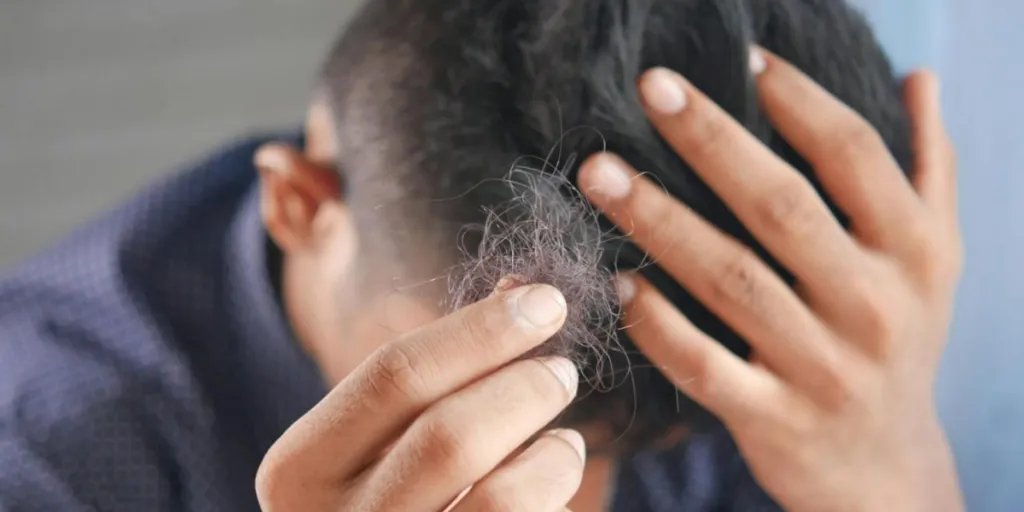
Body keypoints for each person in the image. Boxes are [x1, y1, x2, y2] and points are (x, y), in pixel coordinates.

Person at [0, 0, 964, 511]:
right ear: (300, 204)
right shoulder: (48, 461)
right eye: (482, 398)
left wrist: (901, 486)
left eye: (626, 450)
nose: (547, 502)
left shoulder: (791, 365)